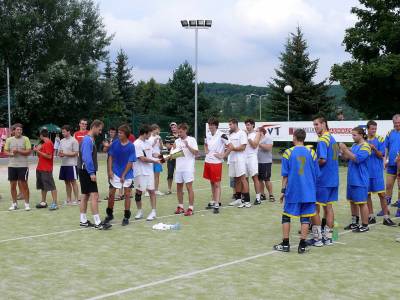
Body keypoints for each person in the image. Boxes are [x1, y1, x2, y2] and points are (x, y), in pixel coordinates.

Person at [273, 129, 318, 254]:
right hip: (309, 191)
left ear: (294, 137)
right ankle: (302, 246)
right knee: (305, 218)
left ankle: (286, 244)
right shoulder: (312, 153)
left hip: (293, 190)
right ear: (304, 138)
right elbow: (316, 173)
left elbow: (285, 175)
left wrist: (283, 191)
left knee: (286, 216)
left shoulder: (288, 153)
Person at [307, 116, 339, 247]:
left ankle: (317, 239)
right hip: (334, 179)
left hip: (323, 180)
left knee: (314, 208)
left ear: (324, 124)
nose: (315, 127)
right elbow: (337, 157)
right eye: (314, 125)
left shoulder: (322, 140)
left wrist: (312, 165)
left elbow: (322, 160)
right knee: (329, 208)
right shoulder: (333, 138)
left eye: (317, 125)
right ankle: (328, 238)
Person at [78, 120, 111, 229]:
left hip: (83, 170)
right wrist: (91, 172)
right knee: (94, 195)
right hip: (87, 171)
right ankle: (97, 223)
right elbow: (87, 158)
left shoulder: (89, 139)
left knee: (85, 195)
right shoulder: (88, 140)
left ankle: (83, 220)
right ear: (94, 127)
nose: (100, 132)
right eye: (100, 129)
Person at [103, 124, 137, 226]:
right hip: (115, 172)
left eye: (120, 133)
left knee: (127, 194)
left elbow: (130, 162)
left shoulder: (131, 146)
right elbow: (110, 157)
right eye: (118, 132)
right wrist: (110, 171)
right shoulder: (115, 143)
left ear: (126, 134)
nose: (118, 134)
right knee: (111, 194)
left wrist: (124, 175)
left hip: (127, 173)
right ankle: (109, 214)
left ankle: (126, 216)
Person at [339, 127, 371, 233]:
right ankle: (355, 223)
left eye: (354, 135)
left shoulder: (366, 146)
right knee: (352, 202)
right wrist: (342, 152)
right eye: (352, 135)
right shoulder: (354, 145)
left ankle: (365, 225)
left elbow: (357, 159)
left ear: (361, 135)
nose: (353, 137)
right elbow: (346, 158)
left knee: (362, 203)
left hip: (360, 179)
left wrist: (345, 149)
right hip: (352, 178)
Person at [366, 120, 396, 226]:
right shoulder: (363, 140)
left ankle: (386, 217)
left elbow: (382, 155)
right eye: (372, 129)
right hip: (365, 172)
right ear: (368, 129)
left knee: (382, 195)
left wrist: (374, 149)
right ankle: (371, 216)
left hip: (377, 172)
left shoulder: (380, 139)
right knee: (367, 195)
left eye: (375, 129)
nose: (374, 131)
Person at [133, 125, 161, 221]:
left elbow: (153, 153)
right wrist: (155, 161)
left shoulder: (148, 142)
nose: (150, 135)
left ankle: (153, 212)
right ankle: (140, 211)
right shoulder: (136, 144)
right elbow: (142, 158)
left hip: (149, 172)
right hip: (140, 172)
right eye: (149, 133)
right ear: (145, 133)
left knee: (152, 191)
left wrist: (161, 156)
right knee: (138, 192)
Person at [203, 117, 229, 214]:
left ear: (216, 125)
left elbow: (230, 146)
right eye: (209, 124)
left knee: (217, 184)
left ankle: (217, 204)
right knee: (212, 183)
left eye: (212, 125)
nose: (210, 126)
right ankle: (213, 200)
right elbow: (205, 144)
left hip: (216, 163)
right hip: (208, 161)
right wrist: (206, 151)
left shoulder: (222, 135)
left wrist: (223, 155)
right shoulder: (208, 134)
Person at [173, 123, 199, 216]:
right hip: (179, 168)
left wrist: (187, 146)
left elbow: (196, 153)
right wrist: (172, 154)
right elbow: (173, 155)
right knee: (179, 187)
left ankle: (190, 208)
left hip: (188, 168)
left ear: (185, 131)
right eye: (178, 132)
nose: (179, 134)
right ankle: (180, 207)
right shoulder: (176, 141)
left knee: (189, 188)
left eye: (181, 132)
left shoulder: (192, 140)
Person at [4, 123, 31, 211]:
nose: (19, 131)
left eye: (20, 130)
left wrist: (18, 150)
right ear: (14, 131)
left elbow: (29, 151)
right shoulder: (9, 140)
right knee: (12, 186)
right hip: (12, 166)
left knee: (24, 185)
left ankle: (27, 204)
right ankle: (14, 204)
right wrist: (11, 154)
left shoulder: (25, 139)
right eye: (17, 130)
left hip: (23, 166)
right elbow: (5, 151)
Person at [226, 119, 250, 208]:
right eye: (229, 125)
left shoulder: (242, 133)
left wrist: (233, 148)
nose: (230, 126)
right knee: (236, 179)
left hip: (240, 159)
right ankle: (238, 199)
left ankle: (247, 201)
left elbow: (243, 147)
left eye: (231, 124)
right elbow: (229, 147)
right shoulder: (231, 134)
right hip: (232, 159)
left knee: (243, 179)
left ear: (235, 124)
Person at [33, 128, 58, 210]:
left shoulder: (48, 143)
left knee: (51, 186)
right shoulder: (44, 144)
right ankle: (43, 202)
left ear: (41, 135)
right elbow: (40, 156)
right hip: (40, 168)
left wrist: (37, 151)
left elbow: (49, 156)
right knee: (43, 186)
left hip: (46, 169)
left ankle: (55, 203)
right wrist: (38, 150)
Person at [383, 114, 400, 217]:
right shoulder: (390, 133)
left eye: (399, 123)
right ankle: (386, 209)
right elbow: (386, 148)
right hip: (391, 165)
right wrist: (385, 160)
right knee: (388, 186)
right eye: (395, 123)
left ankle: (399, 209)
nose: (397, 124)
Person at [58, 125, 79, 205]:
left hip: (72, 164)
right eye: (62, 132)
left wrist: (65, 154)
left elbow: (76, 153)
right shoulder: (62, 141)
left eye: (64, 132)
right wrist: (60, 154)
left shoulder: (74, 141)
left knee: (73, 182)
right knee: (66, 182)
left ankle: (77, 200)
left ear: (68, 131)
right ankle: (69, 199)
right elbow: (60, 152)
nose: (62, 133)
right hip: (64, 164)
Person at [244, 119, 262, 205]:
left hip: (252, 157)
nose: (247, 126)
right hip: (244, 158)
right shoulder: (245, 133)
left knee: (255, 177)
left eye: (248, 125)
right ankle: (246, 197)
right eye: (246, 125)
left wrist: (248, 136)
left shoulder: (257, 134)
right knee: (245, 178)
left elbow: (254, 145)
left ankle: (258, 198)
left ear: (252, 125)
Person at [257, 127, 275, 202]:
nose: (256, 133)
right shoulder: (256, 139)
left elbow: (268, 148)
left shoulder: (268, 139)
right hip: (257, 162)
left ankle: (271, 195)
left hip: (266, 162)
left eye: (257, 131)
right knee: (260, 180)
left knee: (267, 179)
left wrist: (258, 144)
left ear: (261, 132)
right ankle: (262, 194)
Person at [149, 124, 165, 196]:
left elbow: (161, 148)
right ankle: (147, 191)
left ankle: (156, 190)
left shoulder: (159, 137)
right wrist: (154, 142)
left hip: (158, 158)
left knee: (157, 175)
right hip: (150, 158)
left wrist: (160, 141)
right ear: (154, 129)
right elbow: (148, 148)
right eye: (158, 129)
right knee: (150, 175)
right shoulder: (149, 137)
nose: (159, 131)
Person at [164, 122, 179, 194]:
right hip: (171, 157)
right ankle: (169, 189)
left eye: (174, 127)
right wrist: (175, 146)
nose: (173, 129)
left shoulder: (180, 135)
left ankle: (180, 188)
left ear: (177, 127)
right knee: (170, 173)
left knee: (180, 173)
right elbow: (167, 146)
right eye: (172, 128)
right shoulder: (168, 136)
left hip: (179, 157)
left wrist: (173, 145)